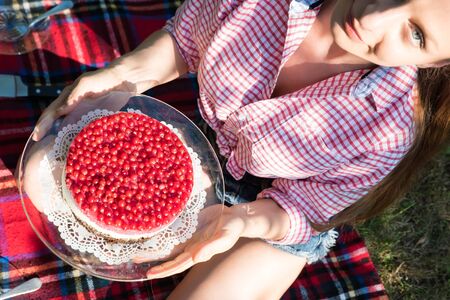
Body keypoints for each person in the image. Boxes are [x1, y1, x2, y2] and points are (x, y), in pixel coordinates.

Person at [33, 0, 450, 299]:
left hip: (273, 212)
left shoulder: (390, 128)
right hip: (196, 153)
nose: (376, 17)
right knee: (39, 172)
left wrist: (240, 222)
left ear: (439, 63)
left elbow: (306, 211)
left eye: (415, 33)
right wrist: (124, 75)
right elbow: (185, 41)